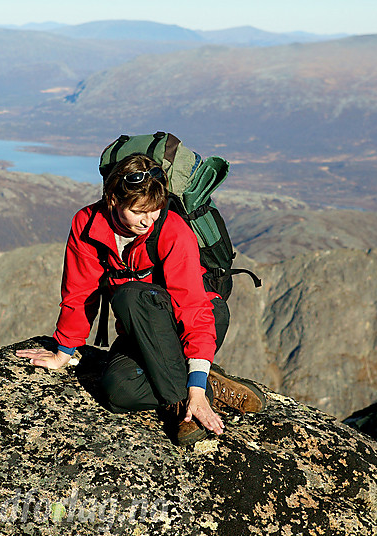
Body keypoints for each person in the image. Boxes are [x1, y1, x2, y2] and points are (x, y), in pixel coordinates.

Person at [16, 153, 265, 444]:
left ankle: (188, 400)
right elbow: (79, 293)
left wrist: (193, 390)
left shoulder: (172, 229)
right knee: (117, 392)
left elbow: (193, 307)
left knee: (130, 297)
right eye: (138, 211)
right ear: (112, 200)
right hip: (142, 333)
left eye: (155, 210)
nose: (148, 220)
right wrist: (63, 352)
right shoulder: (87, 225)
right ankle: (205, 383)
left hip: (198, 319)